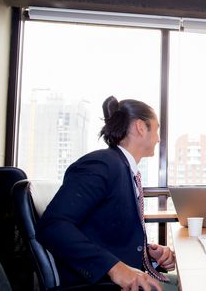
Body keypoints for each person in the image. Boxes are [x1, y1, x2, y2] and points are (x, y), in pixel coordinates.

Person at [37, 96, 177, 290]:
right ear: (140, 127)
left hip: (129, 276)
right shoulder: (100, 165)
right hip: (99, 283)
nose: (159, 138)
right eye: (157, 128)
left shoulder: (124, 169)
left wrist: (149, 254)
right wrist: (114, 268)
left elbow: (102, 232)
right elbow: (52, 226)